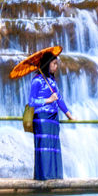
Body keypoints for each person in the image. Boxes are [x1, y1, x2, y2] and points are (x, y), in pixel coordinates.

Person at [29, 51, 74, 180]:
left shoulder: (52, 81)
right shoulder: (36, 81)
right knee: (44, 147)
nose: (56, 66)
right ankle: (44, 177)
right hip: (42, 118)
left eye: (56, 63)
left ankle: (54, 176)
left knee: (53, 146)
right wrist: (48, 100)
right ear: (47, 64)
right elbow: (32, 101)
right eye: (54, 64)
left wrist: (69, 115)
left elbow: (59, 99)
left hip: (53, 119)